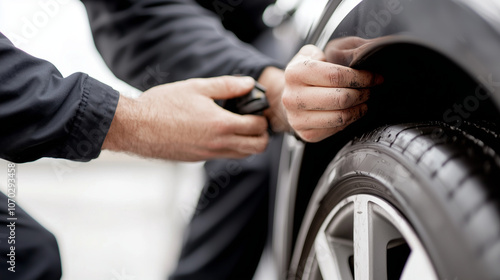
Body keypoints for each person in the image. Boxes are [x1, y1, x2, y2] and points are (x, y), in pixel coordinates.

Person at [80, 1, 383, 279]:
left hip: (260, 25)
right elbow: (135, 11)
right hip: (206, 32)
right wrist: (269, 92)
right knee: (248, 152)